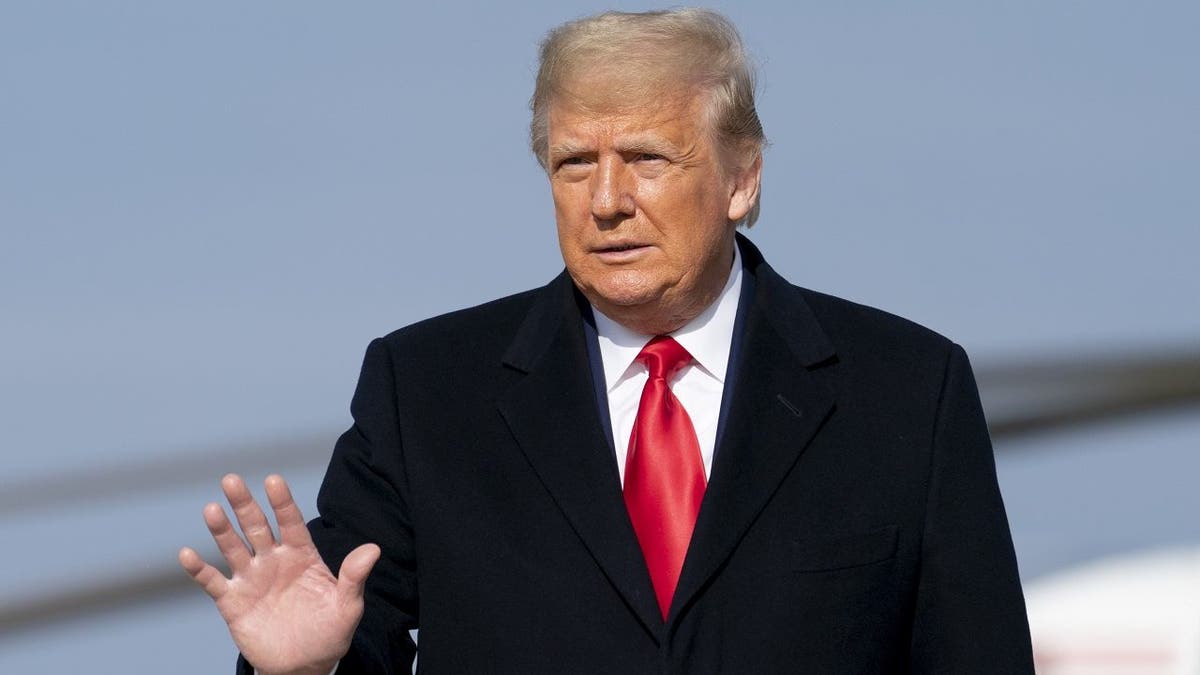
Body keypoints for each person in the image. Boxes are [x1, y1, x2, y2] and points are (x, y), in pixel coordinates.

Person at [179, 8, 1034, 674]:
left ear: (742, 178)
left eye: (648, 158)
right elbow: (356, 639)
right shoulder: (426, 393)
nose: (607, 199)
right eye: (573, 163)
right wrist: (307, 666)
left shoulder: (908, 393)